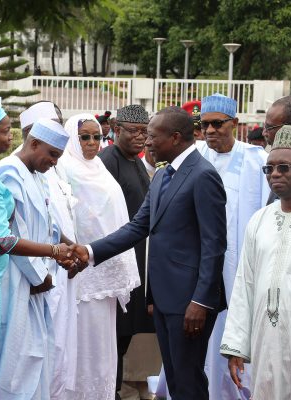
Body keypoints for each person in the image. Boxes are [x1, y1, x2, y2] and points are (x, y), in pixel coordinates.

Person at [72, 106, 227, 400]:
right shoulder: (162, 175)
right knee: (175, 380)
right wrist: (89, 252)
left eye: (153, 136)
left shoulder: (203, 175)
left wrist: (201, 301)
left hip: (190, 302)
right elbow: (137, 227)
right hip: (165, 299)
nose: (147, 141)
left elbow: (214, 245)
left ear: (175, 137)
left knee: (188, 380)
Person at [0, 99, 75, 400]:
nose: (11, 137)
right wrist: (51, 256)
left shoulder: (24, 173)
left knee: (27, 357)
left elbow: (43, 222)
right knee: (6, 362)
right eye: (5, 131)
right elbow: (4, 239)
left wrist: (64, 248)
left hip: (18, 276)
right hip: (1, 279)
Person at [221, 125, 291, 398]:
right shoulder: (259, 220)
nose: (274, 174)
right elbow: (245, 285)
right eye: (269, 168)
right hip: (267, 345)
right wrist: (237, 345)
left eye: (284, 167)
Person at [59, 114, 140, 400]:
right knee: (81, 340)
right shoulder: (64, 168)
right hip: (80, 272)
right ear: (73, 138)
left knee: (103, 343)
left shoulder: (99, 168)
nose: (92, 142)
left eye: (97, 137)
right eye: (85, 137)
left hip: (106, 269)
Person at [0, 118, 73, 400]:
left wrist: (69, 247)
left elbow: (48, 224)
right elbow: (12, 235)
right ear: (34, 143)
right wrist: (40, 276)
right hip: (17, 279)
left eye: (58, 157)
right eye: (51, 154)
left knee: (38, 356)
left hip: (38, 278)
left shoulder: (38, 175)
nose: (54, 162)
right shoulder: (9, 171)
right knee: (17, 361)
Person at [197, 93, 269, 400]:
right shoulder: (195, 156)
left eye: (218, 123)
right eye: (205, 124)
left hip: (241, 265)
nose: (210, 130)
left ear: (235, 123)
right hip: (201, 264)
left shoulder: (257, 160)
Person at [98, 105, 154, 400]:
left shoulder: (136, 162)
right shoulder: (108, 161)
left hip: (137, 258)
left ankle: (116, 389)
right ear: (117, 130)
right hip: (116, 259)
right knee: (115, 333)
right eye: (134, 131)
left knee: (126, 334)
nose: (141, 137)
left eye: (145, 131)